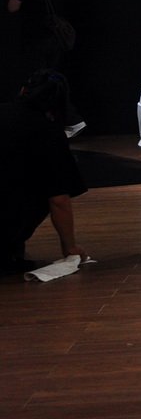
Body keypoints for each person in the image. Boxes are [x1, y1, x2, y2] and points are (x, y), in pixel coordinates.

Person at [0, 70, 88, 275]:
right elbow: (59, 200)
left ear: (23, 90)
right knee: (37, 193)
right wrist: (70, 248)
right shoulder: (48, 133)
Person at [7, 0, 86, 137]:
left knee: (36, 83)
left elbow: (12, 7)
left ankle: (69, 120)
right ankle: (56, 124)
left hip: (37, 39)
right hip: (56, 39)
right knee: (52, 82)